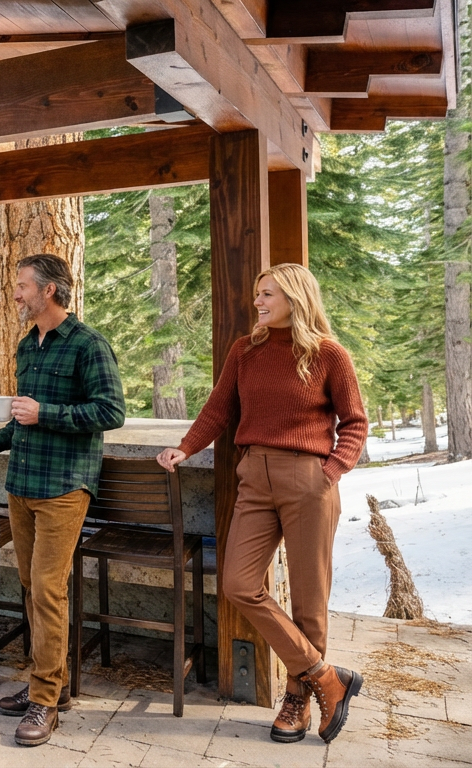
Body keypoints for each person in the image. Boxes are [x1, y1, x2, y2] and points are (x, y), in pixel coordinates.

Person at [156, 263, 367, 744]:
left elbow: (355, 423)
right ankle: (325, 677)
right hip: (255, 476)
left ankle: (297, 699)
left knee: (311, 601)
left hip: (309, 478)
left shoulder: (329, 354)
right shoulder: (245, 351)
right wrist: (185, 447)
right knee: (237, 582)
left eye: (267, 293)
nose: (258, 301)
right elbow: (218, 408)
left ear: (295, 297)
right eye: (257, 293)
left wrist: (329, 473)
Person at [0, 254, 125, 747]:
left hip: (64, 487)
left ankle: (44, 701)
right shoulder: (26, 345)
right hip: (23, 483)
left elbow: (111, 410)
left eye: (22, 286)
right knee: (32, 590)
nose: (15, 293)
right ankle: (50, 684)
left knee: (47, 590)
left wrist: (47, 412)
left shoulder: (88, 344)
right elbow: (24, 415)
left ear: (49, 291)